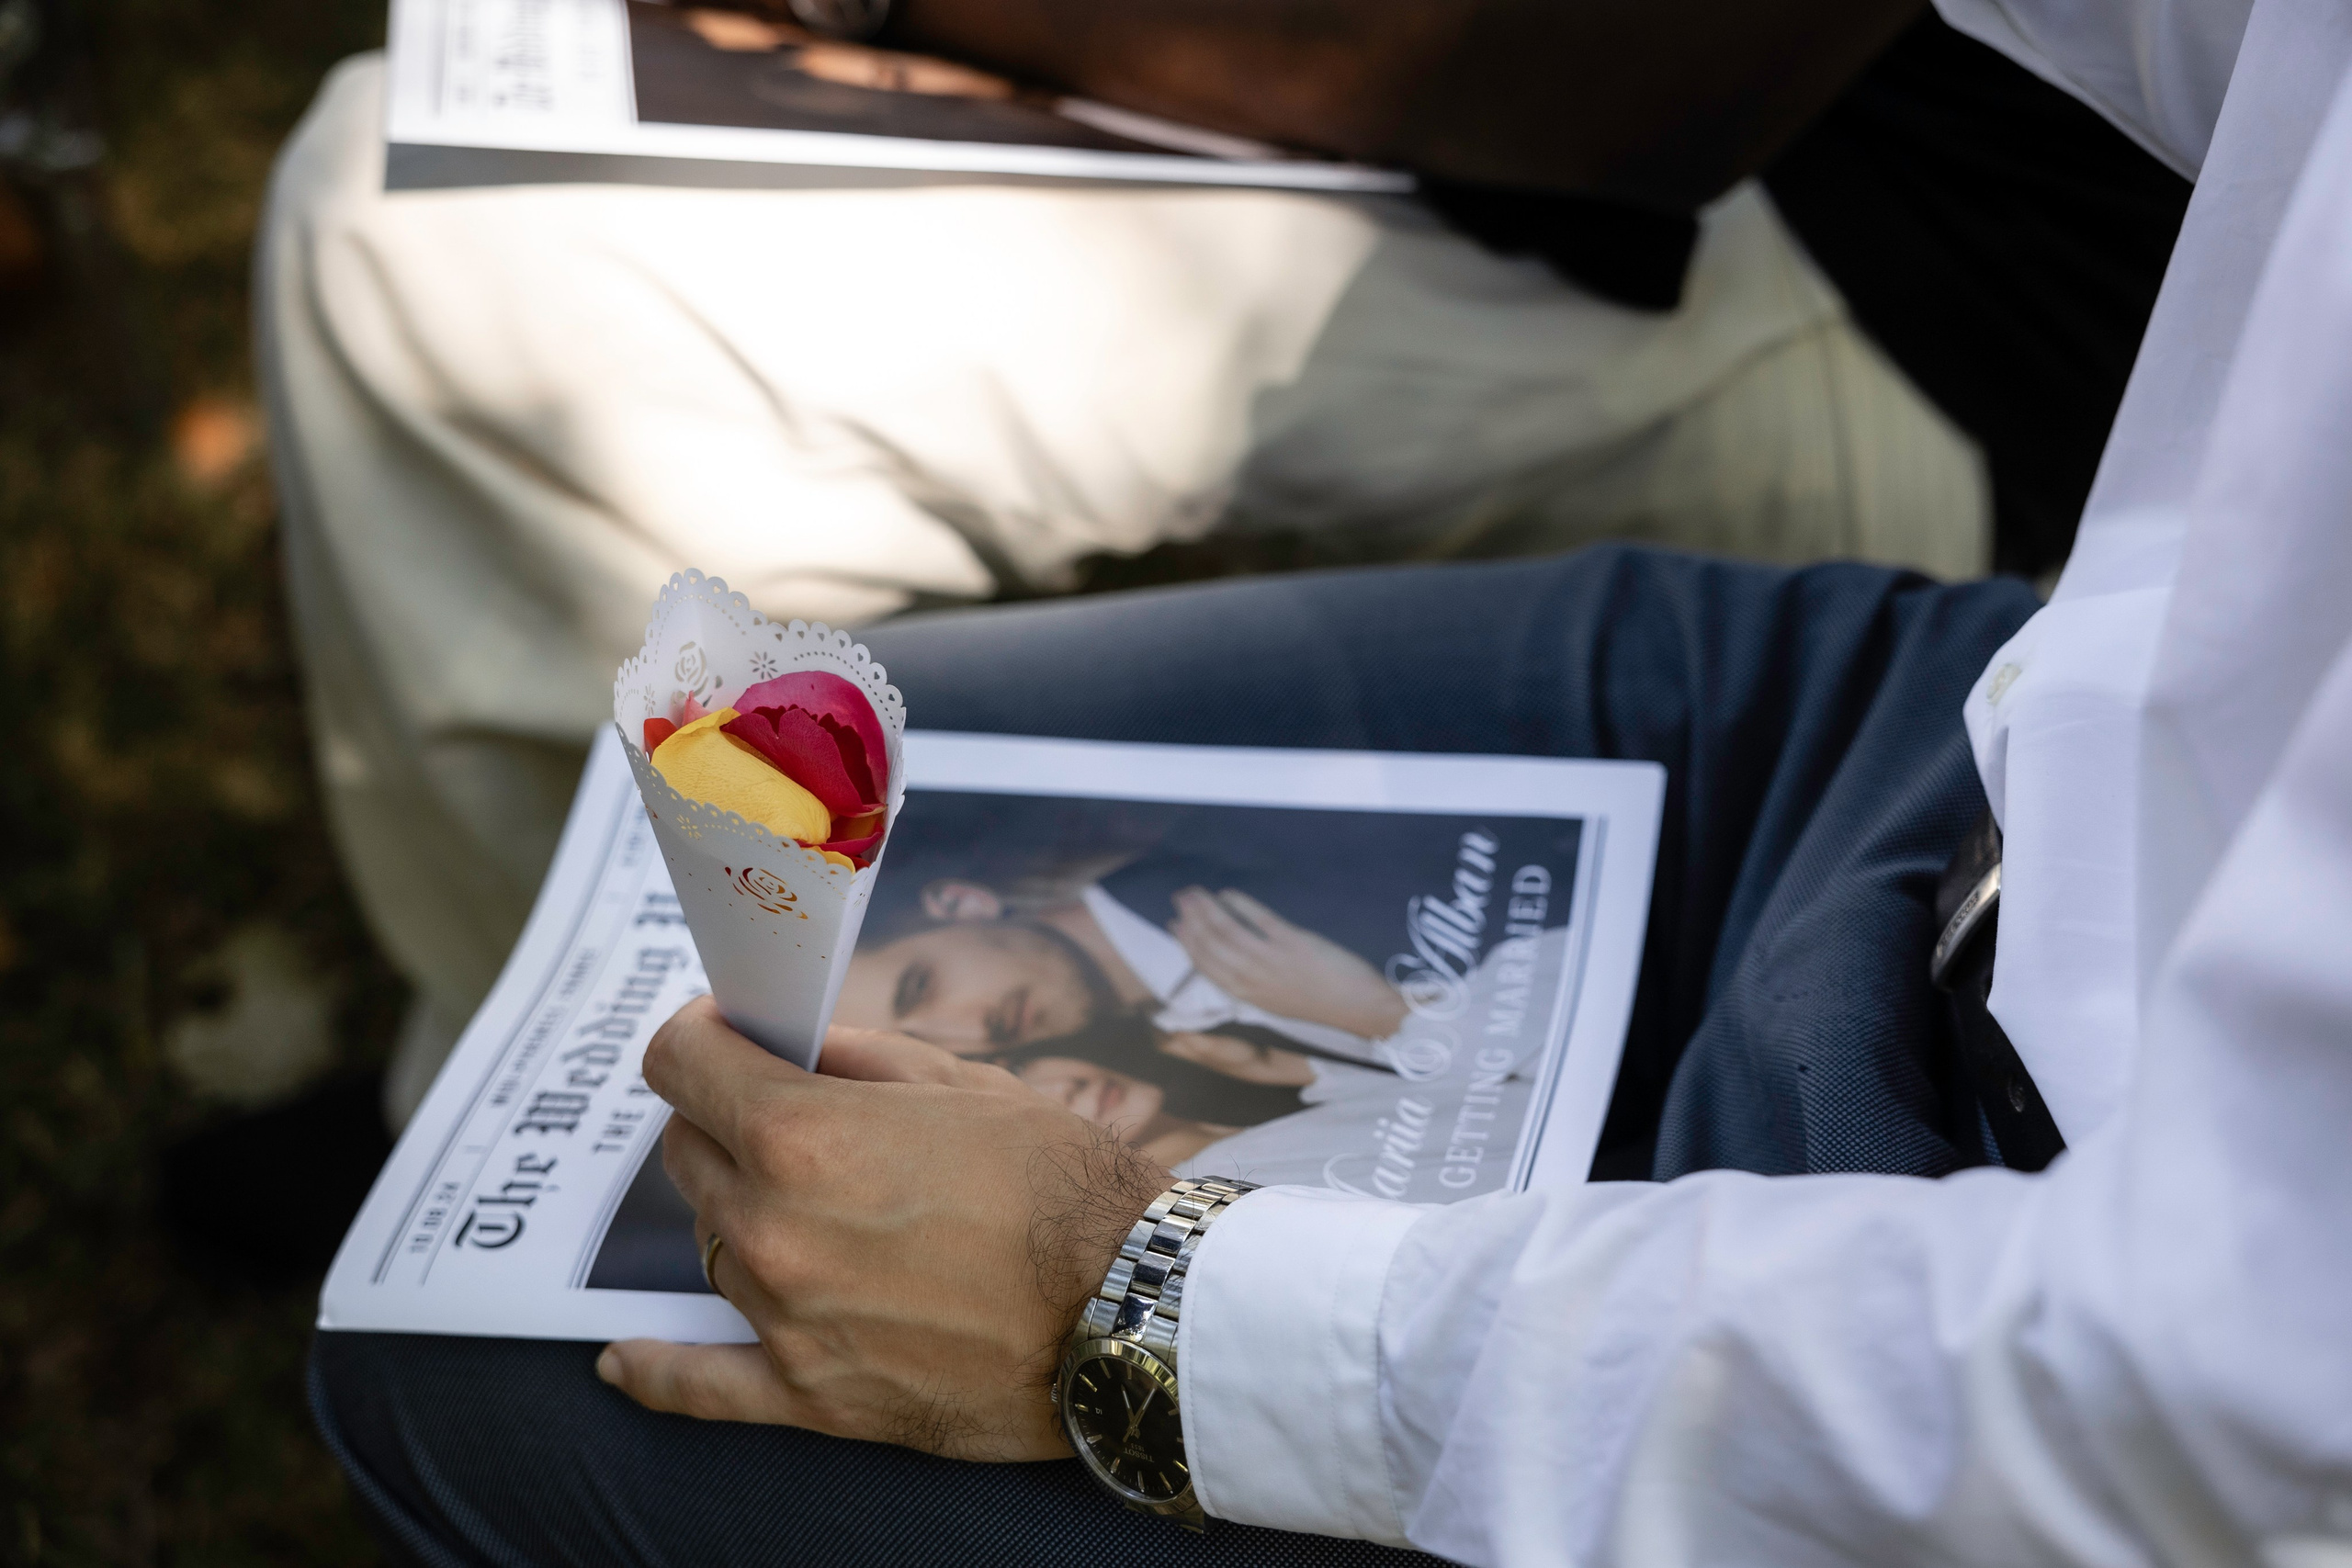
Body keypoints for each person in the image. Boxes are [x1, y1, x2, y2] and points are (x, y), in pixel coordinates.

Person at [311, 0, 2352, 1561]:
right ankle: (489, 1093)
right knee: (813, 752)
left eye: (940, 990)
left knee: (446, 1373)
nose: (949, 997)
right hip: (1966, 729)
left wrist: (1152, 1307)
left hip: (1970, 1262)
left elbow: (2217, 1383)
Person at [256, 0, 2188, 1127]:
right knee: (443, 146)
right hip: (1440, 105)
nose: (1007, 1001)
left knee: (451, 253)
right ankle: (567, 1085)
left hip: (1899, 245)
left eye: (956, 983)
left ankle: (604, 1116)